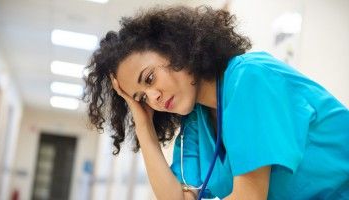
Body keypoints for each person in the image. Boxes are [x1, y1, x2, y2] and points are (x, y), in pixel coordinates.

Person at [83, 5, 349, 200]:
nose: (153, 98)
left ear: (175, 47)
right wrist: (143, 126)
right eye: (142, 97)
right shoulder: (197, 120)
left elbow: (250, 197)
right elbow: (177, 197)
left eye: (150, 78)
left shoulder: (250, 78)